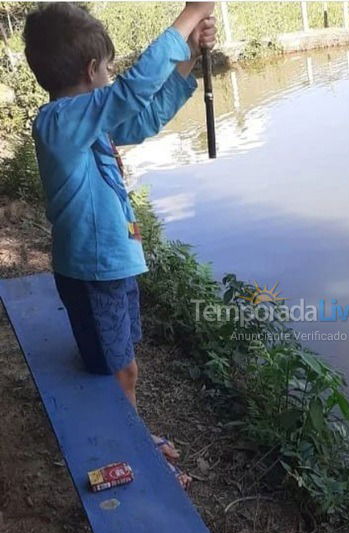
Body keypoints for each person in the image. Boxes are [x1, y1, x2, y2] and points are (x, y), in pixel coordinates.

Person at [23, 2, 216, 486]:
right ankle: (129, 447)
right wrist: (189, 15)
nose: (112, 76)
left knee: (118, 355)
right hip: (94, 273)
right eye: (108, 68)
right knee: (121, 369)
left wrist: (188, 56)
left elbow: (143, 118)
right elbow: (132, 91)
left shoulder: (86, 122)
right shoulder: (60, 124)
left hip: (109, 266)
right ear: (92, 71)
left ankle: (128, 427)